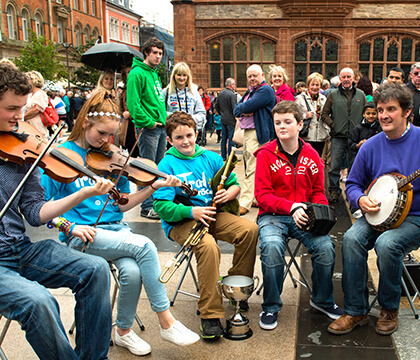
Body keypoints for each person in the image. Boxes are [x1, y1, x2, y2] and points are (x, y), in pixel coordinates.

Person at [41, 90, 200, 356]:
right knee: (146, 246)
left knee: (132, 272)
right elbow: (43, 210)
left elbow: (122, 203)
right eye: (101, 134)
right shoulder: (61, 157)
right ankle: (166, 321)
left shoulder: (111, 158)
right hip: (82, 235)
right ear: (84, 124)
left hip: (115, 231)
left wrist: (152, 187)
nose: (107, 141)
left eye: (111, 135)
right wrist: (70, 227)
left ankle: (123, 331)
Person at [328, 82, 420, 336]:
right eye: (380, 110)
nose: (384, 115)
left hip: (419, 218)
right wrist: (360, 200)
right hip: (380, 213)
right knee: (351, 239)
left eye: (391, 109)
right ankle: (355, 310)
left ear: (407, 112)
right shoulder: (371, 145)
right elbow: (354, 184)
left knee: (387, 244)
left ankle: (389, 309)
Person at [0, 62, 113, 359]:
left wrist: (84, 192)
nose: (20, 117)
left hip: (19, 249)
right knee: (39, 302)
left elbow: (35, 212)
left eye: (23, 108)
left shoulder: (22, 151)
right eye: (12, 109)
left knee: (96, 269)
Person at [153, 111, 258, 339]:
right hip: (183, 221)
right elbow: (161, 206)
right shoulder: (167, 163)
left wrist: (229, 194)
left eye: (189, 135)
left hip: (212, 214)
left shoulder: (210, 157)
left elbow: (234, 184)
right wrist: (191, 210)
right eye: (179, 138)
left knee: (249, 230)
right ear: (169, 140)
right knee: (208, 246)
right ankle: (210, 314)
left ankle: (235, 289)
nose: (186, 141)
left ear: (196, 134)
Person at [254, 100, 343, 330]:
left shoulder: (312, 155)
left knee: (325, 247)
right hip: (272, 215)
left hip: (305, 215)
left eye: (287, 122)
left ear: (300, 124)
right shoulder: (265, 154)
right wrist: (290, 207)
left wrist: (318, 214)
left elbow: (318, 192)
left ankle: (322, 299)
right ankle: (271, 305)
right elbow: (261, 195)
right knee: (272, 246)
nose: (281, 127)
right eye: (277, 123)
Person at [127, 37, 167, 220]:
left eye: (160, 53)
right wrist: (149, 122)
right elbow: (133, 105)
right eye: (155, 53)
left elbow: (157, 100)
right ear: (146, 53)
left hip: (160, 126)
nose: (158, 57)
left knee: (158, 167)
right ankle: (146, 206)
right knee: (146, 168)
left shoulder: (153, 73)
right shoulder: (137, 73)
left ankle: (156, 202)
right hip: (148, 128)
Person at [233, 64, 277, 215]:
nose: (252, 78)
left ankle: (244, 202)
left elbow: (244, 108)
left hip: (257, 134)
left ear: (262, 75)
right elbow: (237, 109)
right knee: (253, 167)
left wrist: (246, 108)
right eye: (249, 76)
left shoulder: (265, 90)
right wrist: (244, 109)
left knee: (252, 168)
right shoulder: (252, 91)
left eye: (255, 75)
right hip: (249, 132)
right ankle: (256, 198)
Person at [321, 67, 367, 203]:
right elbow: (324, 114)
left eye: (349, 77)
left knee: (354, 166)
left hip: (355, 138)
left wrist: (362, 129)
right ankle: (334, 190)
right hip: (337, 137)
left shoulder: (361, 95)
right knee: (334, 165)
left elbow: (367, 112)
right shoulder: (333, 95)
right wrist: (334, 125)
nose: (346, 80)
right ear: (340, 79)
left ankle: (351, 192)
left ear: (353, 78)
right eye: (343, 77)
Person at [163, 62, 206, 133]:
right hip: (171, 133)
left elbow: (202, 113)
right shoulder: (166, 92)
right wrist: (175, 118)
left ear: (188, 76)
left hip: (189, 131)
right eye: (179, 75)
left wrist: (188, 119)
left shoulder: (194, 92)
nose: (182, 78)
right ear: (174, 75)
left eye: (184, 75)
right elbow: (160, 112)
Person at [295, 72, 330, 156]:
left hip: (320, 136)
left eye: (317, 85)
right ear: (308, 85)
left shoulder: (323, 99)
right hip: (306, 135)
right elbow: (294, 115)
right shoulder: (300, 99)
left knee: (317, 160)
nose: (314, 87)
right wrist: (305, 116)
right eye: (312, 84)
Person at [347, 102, 381, 171]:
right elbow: (350, 143)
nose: (371, 116)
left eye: (374, 114)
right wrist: (357, 146)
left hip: (376, 158)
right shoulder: (358, 128)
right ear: (363, 114)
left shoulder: (380, 128)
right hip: (361, 158)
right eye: (368, 113)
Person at [215, 77, 237, 159]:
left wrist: (221, 113)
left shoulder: (221, 93)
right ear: (231, 85)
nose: (235, 86)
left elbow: (216, 106)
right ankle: (230, 156)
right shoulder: (232, 94)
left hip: (223, 118)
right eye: (234, 84)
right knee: (231, 139)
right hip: (231, 119)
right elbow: (234, 108)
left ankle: (223, 155)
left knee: (223, 138)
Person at [23, 70, 49, 137]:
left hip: (37, 125)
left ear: (33, 80)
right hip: (29, 124)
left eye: (28, 79)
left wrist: (23, 117)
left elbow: (36, 109)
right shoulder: (30, 94)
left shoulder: (40, 93)